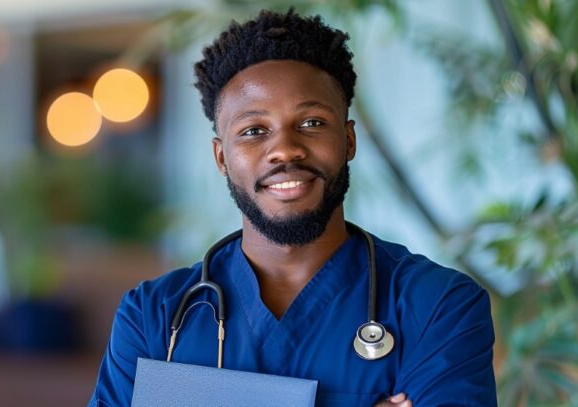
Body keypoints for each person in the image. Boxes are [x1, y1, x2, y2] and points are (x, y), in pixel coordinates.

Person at [89, 8, 497, 407]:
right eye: (253, 131)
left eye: (312, 123)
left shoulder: (436, 305)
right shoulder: (153, 317)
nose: (284, 149)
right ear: (221, 158)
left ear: (349, 140)